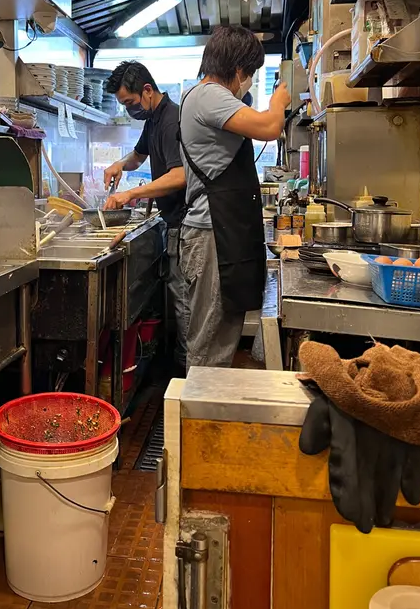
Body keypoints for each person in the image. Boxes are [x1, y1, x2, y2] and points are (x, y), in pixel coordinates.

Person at [179, 25, 290, 369]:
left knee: (219, 340)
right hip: (212, 233)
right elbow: (269, 128)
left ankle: (206, 399)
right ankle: (198, 403)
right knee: (209, 345)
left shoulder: (207, 97)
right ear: (238, 68)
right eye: (251, 72)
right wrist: (278, 103)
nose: (250, 80)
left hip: (218, 232)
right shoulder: (209, 94)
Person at [103, 61, 189, 367]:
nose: (130, 110)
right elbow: (138, 157)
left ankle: (188, 372)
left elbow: (179, 176)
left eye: (130, 102)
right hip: (173, 222)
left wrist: (130, 194)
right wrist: (119, 164)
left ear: (148, 90)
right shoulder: (153, 119)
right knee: (178, 298)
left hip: (185, 224)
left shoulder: (170, 120)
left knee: (184, 302)